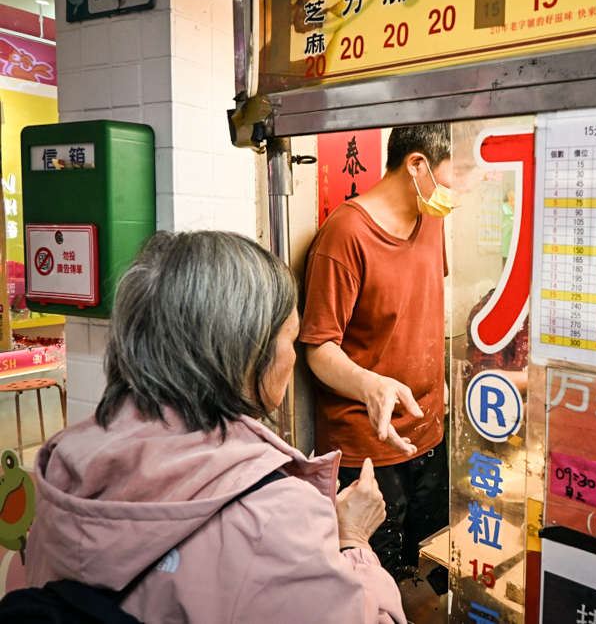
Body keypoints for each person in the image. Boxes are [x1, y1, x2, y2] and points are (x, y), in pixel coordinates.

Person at [24, 231, 405, 624]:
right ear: (246, 354)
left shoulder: (64, 465)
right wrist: (353, 540)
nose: (293, 357)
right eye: (290, 338)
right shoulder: (274, 515)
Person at [300, 124, 452, 581]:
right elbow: (318, 347)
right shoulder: (344, 235)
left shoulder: (433, 218)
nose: (456, 186)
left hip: (432, 432)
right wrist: (371, 383)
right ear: (417, 165)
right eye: (452, 172)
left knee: (430, 571)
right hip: (369, 447)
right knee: (374, 580)